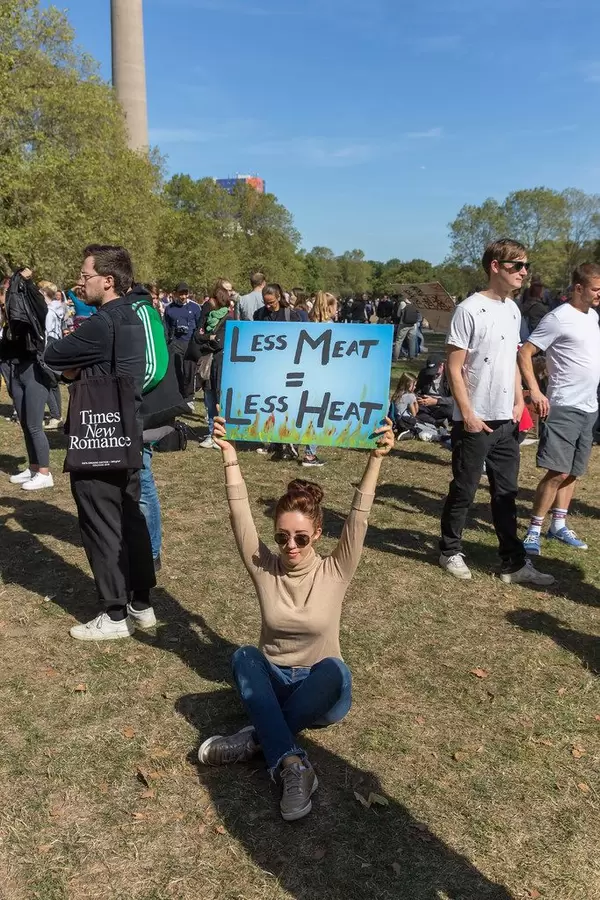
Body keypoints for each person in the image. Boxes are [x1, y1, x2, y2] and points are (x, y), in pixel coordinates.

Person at [198, 415, 394, 821]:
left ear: (318, 534)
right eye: (282, 536)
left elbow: (358, 519)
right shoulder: (265, 567)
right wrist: (230, 458)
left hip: (320, 693)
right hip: (274, 683)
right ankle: (292, 764)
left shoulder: (336, 569)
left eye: (301, 537)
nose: (291, 545)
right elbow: (240, 519)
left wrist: (375, 459)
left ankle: (257, 736)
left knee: (336, 671)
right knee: (243, 658)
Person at [45, 245, 156, 640]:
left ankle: (113, 615)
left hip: (97, 437)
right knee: (130, 517)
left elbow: (53, 353)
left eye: (86, 275)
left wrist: (75, 370)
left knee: (101, 522)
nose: (80, 282)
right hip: (126, 432)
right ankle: (141, 604)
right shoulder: (132, 317)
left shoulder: (100, 323)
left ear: (107, 280)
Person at [438, 238, 555, 586]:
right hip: (475, 420)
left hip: (508, 419)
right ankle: (450, 550)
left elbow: (514, 358)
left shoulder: (513, 309)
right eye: (516, 266)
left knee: (506, 493)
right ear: (495, 267)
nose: (524, 272)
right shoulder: (468, 309)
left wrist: (520, 397)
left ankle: (514, 563)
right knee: (465, 487)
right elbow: (454, 367)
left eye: (525, 266)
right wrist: (468, 413)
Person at [518, 263, 600, 556]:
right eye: (595, 288)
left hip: (589, 407)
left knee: (574, 471)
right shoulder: (557, 318)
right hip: (563, 405)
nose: (599, 294)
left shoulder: (593, 317)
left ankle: (559, 524)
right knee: (557, 471)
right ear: (578, 288)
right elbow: (526, 352)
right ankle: (534, 530)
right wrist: (536, 390)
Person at [0, 267, 54, 491]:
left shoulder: (32, 312)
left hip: (33, 370)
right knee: (24, 423)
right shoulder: (8, 321)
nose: (5, 294)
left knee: (34, 425)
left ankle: (45, 472)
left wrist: (21, 280)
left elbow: (31, 298)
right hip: (17, 370)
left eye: (6, 290)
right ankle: (33, 468)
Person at [164, 282, 202, 407]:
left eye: (185, 293)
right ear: (175, 294)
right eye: (181, 294)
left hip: (190, 343)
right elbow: (167, 327)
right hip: (176, 342)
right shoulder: (169, 309)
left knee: (190, 370)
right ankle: (178, 395)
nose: (183, 296)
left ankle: (189, 396)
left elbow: (199, 327)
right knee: (177, 370)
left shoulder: (195, 308)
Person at [39, 280, 65, 430]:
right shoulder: (58, 308)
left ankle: (55, 415)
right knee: (54, 384)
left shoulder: (49, 311)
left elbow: (46, 332)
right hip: (56, 343)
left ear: (44, 293)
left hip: (48, 344)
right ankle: (57, 415)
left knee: (47, 381)